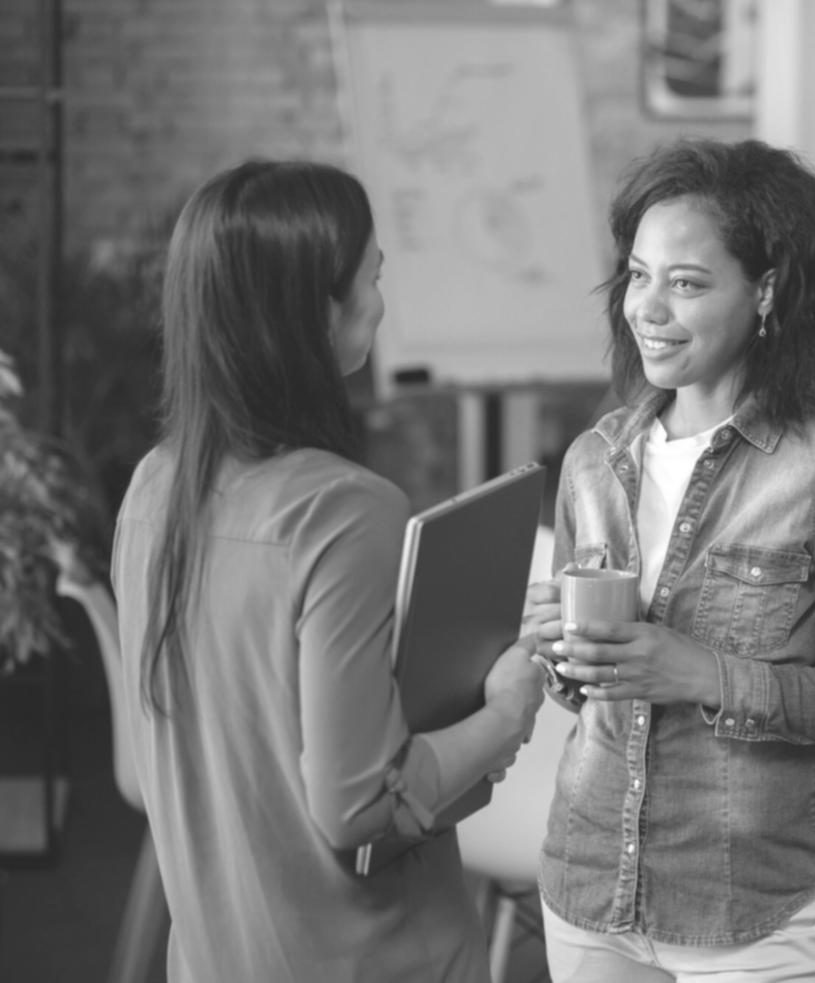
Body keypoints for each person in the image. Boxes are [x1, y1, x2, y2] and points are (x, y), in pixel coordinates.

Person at [111, 159, 547, 981]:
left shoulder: (151, 488)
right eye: (372, 279)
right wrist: (508, 708)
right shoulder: (346, 511)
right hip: (370, 957)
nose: (381, 306)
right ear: (318, 309)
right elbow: (361, 804)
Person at [528, 137, 815, 981]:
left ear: (768, 292)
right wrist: (560, 657)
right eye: (638, 275)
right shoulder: (594, 460)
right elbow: (586, 698)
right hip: (587, 886)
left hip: (744, 910)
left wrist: (708, 672)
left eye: (686, 283)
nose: (647, 308)